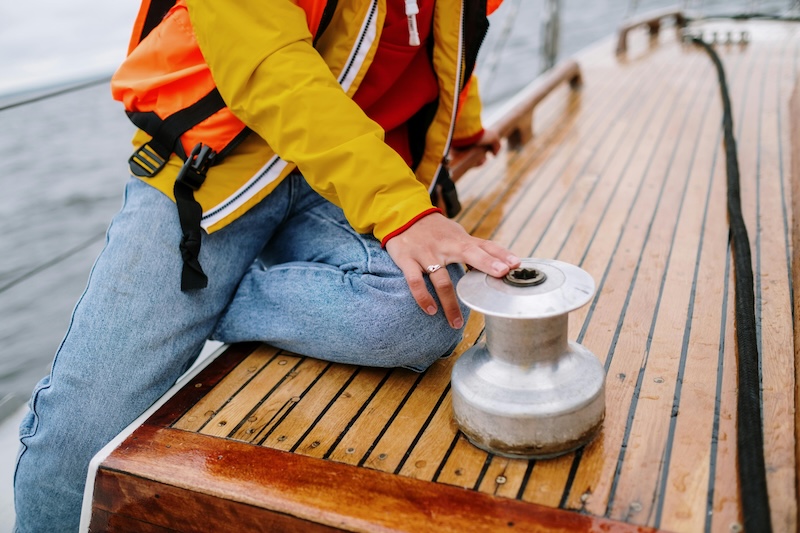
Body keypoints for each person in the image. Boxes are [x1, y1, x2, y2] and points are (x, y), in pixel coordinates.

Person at [13, 0, 519, 530]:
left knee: (431, 306)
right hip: (210, 171)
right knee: (80, 428)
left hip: (336, 184)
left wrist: (464, 132)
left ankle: (201, 302)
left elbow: (444, 42)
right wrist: (403, 210)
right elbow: (269, 65)